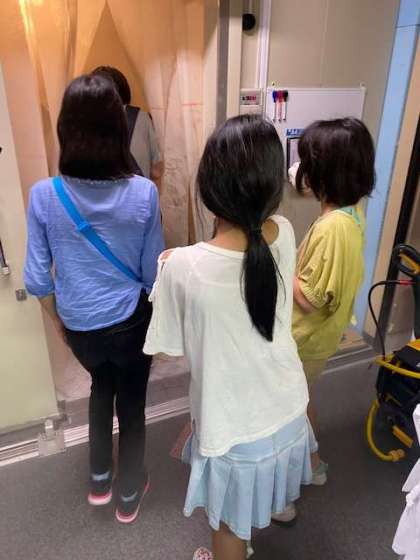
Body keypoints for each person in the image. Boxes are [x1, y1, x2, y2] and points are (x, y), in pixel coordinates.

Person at [144, 115, 313, 560]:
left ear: (209, 185)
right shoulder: (284, 230)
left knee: (227, 530)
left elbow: (170, 347)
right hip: (289, 406)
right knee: (266, 476)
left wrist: (171, 268)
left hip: (234, 426)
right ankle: (275, 505)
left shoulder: (182, 268)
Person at [24, 74, 164, 524]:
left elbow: (37, 280)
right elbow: (151, 275)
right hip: (130, 323)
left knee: (101, 386)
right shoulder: (143, 193)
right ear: (118, 128)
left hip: (80, 326)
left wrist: (60, 324)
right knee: (132, 403)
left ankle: (100, 480)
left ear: (65, 129)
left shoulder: (44, 195)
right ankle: (129, 493)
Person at [292, 117, 375, 475]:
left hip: (306, 339)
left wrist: (280, 265)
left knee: (292, 407)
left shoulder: (333, 228)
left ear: (322, 174)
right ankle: (311, 463)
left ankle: (305, 469)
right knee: (302, 399)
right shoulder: (351, 214)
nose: (301, 171)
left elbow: (309, 299)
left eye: (307, 163)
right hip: (321, 335)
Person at [92, 66, 163, 185]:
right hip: (138, 192)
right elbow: (157, 169)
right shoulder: (142, 117)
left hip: (98, 194)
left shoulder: (85, 120)